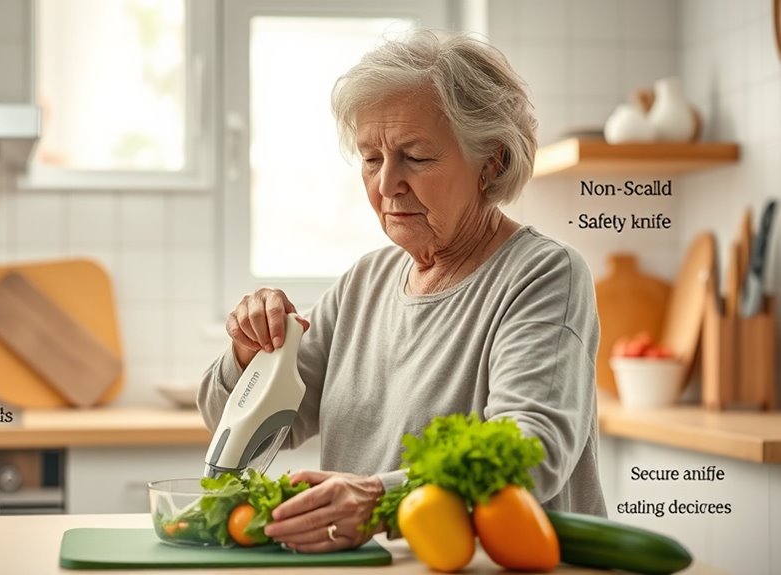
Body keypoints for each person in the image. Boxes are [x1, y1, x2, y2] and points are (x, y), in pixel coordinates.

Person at [197, 29, 605, 553]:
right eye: (371, 158)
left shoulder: (545, 275)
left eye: (415, 156)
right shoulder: (364, 283)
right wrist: (247, 356)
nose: (387, 184)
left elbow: (528, 456)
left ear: (492, 163)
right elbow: (236, 424)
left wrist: (378, 499)